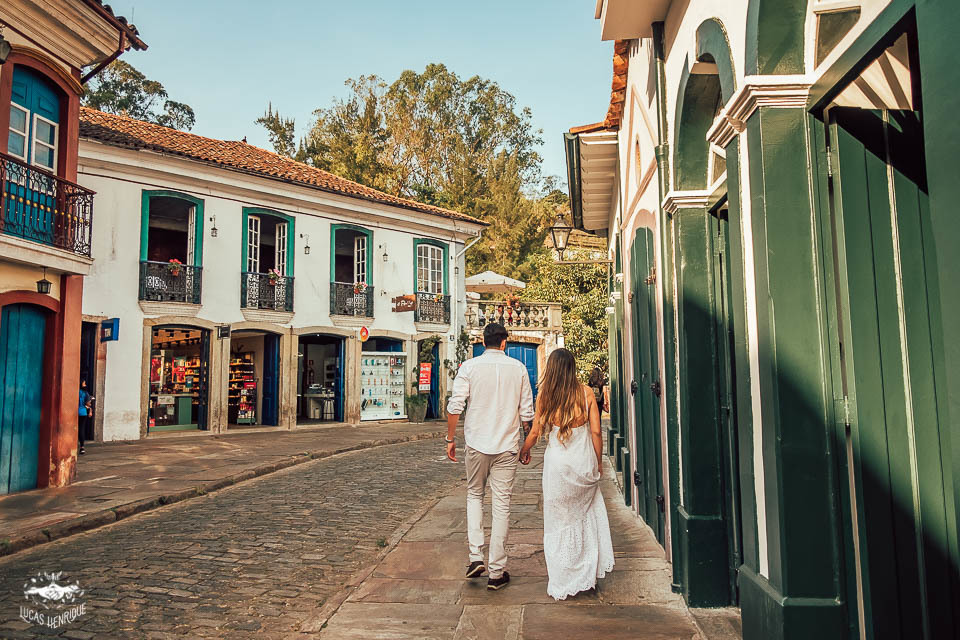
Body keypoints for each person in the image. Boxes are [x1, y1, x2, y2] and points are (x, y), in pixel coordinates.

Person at [519, 348, 614, 600]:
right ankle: (586, 574)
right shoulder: (586, 394)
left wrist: (524, 449)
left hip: (558, 468)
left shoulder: (546, 396)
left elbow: (536, 430)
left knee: (558, 520)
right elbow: (596, 433)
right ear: (572, 368)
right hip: (583, 464)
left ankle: (562, 577)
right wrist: (598, 462)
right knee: (585, 516)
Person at [446, 322, 534, 591]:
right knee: (502, 505)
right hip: (507, 446)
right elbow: (527, 412)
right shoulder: (518, 369)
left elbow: (455, 405)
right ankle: (497, 571)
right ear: (504, 343)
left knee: (474, 495)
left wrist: (450, 439)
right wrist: (526, 445)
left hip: (476, 443)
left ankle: (475, 557)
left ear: (483, 342)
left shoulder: (469, 367)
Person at [78, 379, 93, 455]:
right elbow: (88, 403)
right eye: (84, 384)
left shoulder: (75, 391)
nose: (85, 385)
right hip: (83, 413)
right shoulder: (85, 393)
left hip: (74, 412)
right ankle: (82, 447)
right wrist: (89, 404)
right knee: (81, 429)